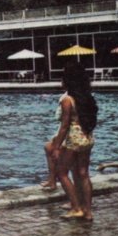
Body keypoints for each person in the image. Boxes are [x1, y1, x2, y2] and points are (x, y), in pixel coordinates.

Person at [50, 63, 99, 221]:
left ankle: (76, 207)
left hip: (74, 140)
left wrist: (56, 147)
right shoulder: (88, 98)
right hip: (88, 138)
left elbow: (64, 127)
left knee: (62, 173)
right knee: (84, 174)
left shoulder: (67, 100)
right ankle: (88, 211)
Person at [40, 90, 68, 191]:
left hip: (70, 132)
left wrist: (58, 142)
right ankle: (52, 180)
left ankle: (74, 201)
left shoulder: (67, 98)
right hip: (78, 132)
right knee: (48, 147)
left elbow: (60, 118)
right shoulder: (85, 95)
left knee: (64, 171)